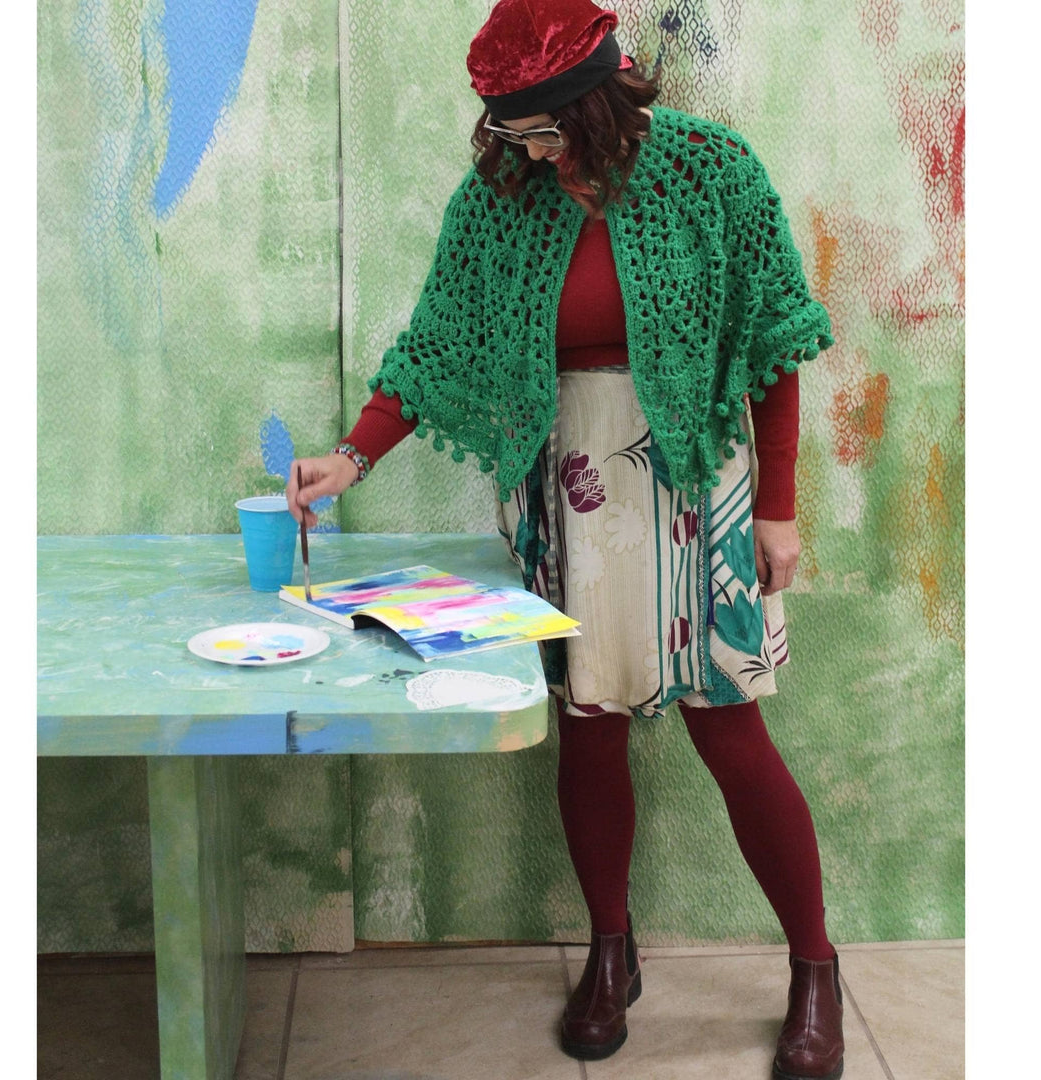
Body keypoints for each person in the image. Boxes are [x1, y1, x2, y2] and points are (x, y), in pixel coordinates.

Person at [287, 2, 843, 1076]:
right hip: (571, 492)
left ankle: (813, 966)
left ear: (591, 102)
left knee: (730, 731)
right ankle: (610, 951)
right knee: (589, 727)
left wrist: (778, 507)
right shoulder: (503, 198)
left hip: (698, 482)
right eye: (507, 132)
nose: (523, 151)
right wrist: (352, 456)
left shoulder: (711, 171)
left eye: (539, 129)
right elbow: (437, 340)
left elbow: (772, 339)